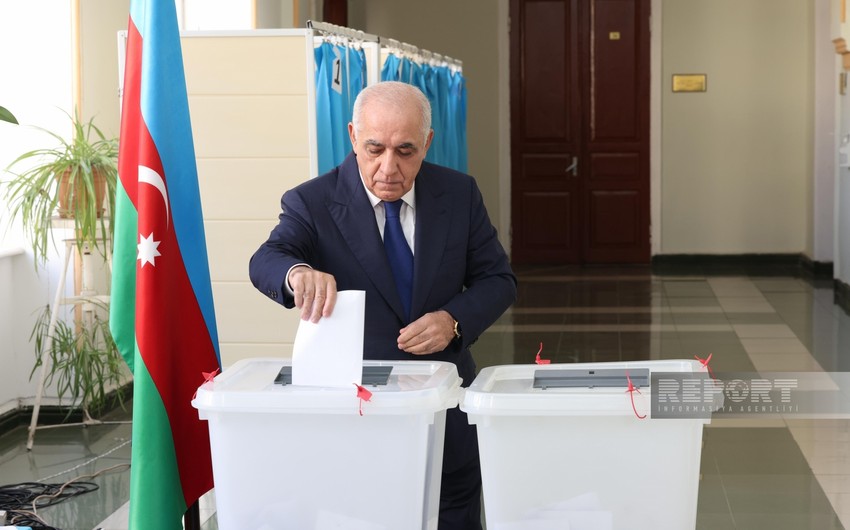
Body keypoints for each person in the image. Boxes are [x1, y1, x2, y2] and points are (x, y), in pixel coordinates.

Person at [249, 81, 516, 530]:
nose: (388, 168)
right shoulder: (312, 202)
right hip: (356, 416)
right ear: (353, 135)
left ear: (428, 142)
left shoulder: (459, 194)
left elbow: (499, 280)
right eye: (374, 149)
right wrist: (297, 273)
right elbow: (267, 259)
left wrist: (454, 320)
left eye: (405, 151)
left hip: (445, 408)